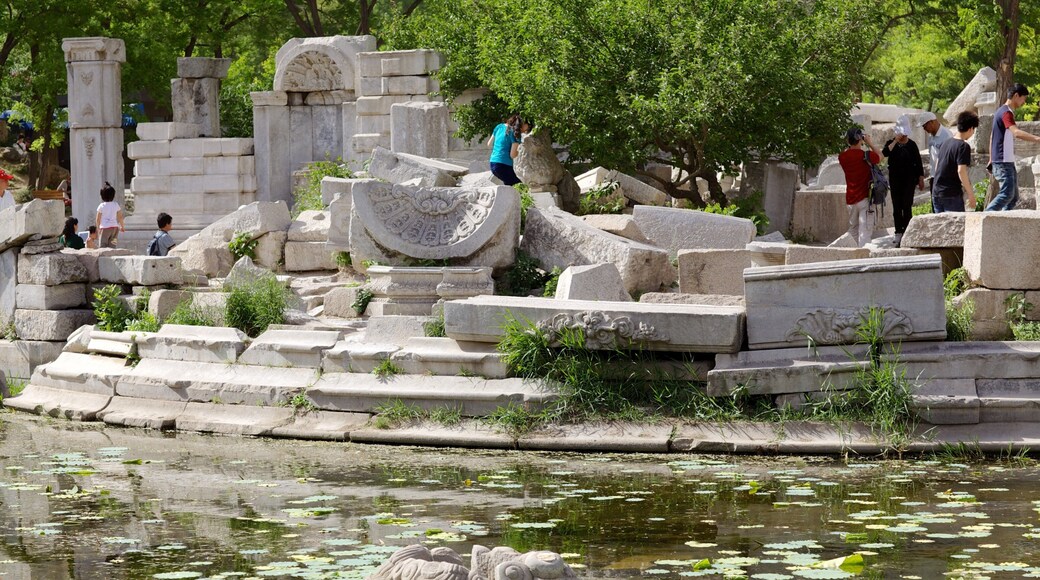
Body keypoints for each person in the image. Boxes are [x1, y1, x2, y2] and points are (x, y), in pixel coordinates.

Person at [986, 83, 1040, 211]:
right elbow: (1016, 132)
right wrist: (1037, 139)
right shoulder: (1006, 113)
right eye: (1023, 99)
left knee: (1013, 196)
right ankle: (986, 216)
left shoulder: (1001, 111)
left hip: (1005, 160)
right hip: (1003, 161)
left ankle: (1004, 222)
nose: (1023, 102)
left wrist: (991, 158)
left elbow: (992, 137)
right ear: (1016, 95)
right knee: (1007, 194)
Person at [882, 116, 924, 245]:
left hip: (909, 180)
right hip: (895, 180)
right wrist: (895, 141)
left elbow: (918, 162)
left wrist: (920, 178)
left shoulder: (912, 145)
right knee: (897, 206)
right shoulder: (891, 143)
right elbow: (884, 153)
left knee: (907, 206)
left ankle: (907, 231)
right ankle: (898, 232)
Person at [838, 127, 881, 247]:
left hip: (851, 200)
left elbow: (847, 150)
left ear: (848, 140)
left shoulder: (842, 157)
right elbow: (880, 156)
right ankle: (863, 259)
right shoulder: (866, 155)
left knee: (853, 231)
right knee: (865, 234)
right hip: (865, 199)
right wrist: (869, 142)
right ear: (860, 139)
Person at [932, 111, 980, 213]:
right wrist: (971, 194)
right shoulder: (963, 146)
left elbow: (937, 166)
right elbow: (961, 171)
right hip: (951, 194)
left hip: (936, 192)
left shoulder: (945, 143)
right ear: (971, 128)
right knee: (957, 227)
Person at [486, 114, 527, 186]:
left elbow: (489, 144)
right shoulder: (515, 133)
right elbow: (512, 155)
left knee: (509, 185)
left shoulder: (499, 126)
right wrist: (519, 152)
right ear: (521, 125)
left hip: (493, 163)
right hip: (504, 165)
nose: (526, 130)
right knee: (521, 184)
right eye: (527, 127)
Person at [917, 111, 952, 186]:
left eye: (924, 126)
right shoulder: (931, 137)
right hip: (934, 177)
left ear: (932, 122)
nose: (924, 129)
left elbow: (949, 159)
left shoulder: (946, 135)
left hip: (944, 177)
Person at [95, 181, 124, 248]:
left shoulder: (101, 206)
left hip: (105, 228)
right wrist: (122, 226)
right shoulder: (116, 205)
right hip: (115, 228)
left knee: (103, 245)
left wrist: (98, 229)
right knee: (113, 245)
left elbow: (98, 219)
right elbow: (120, 217)